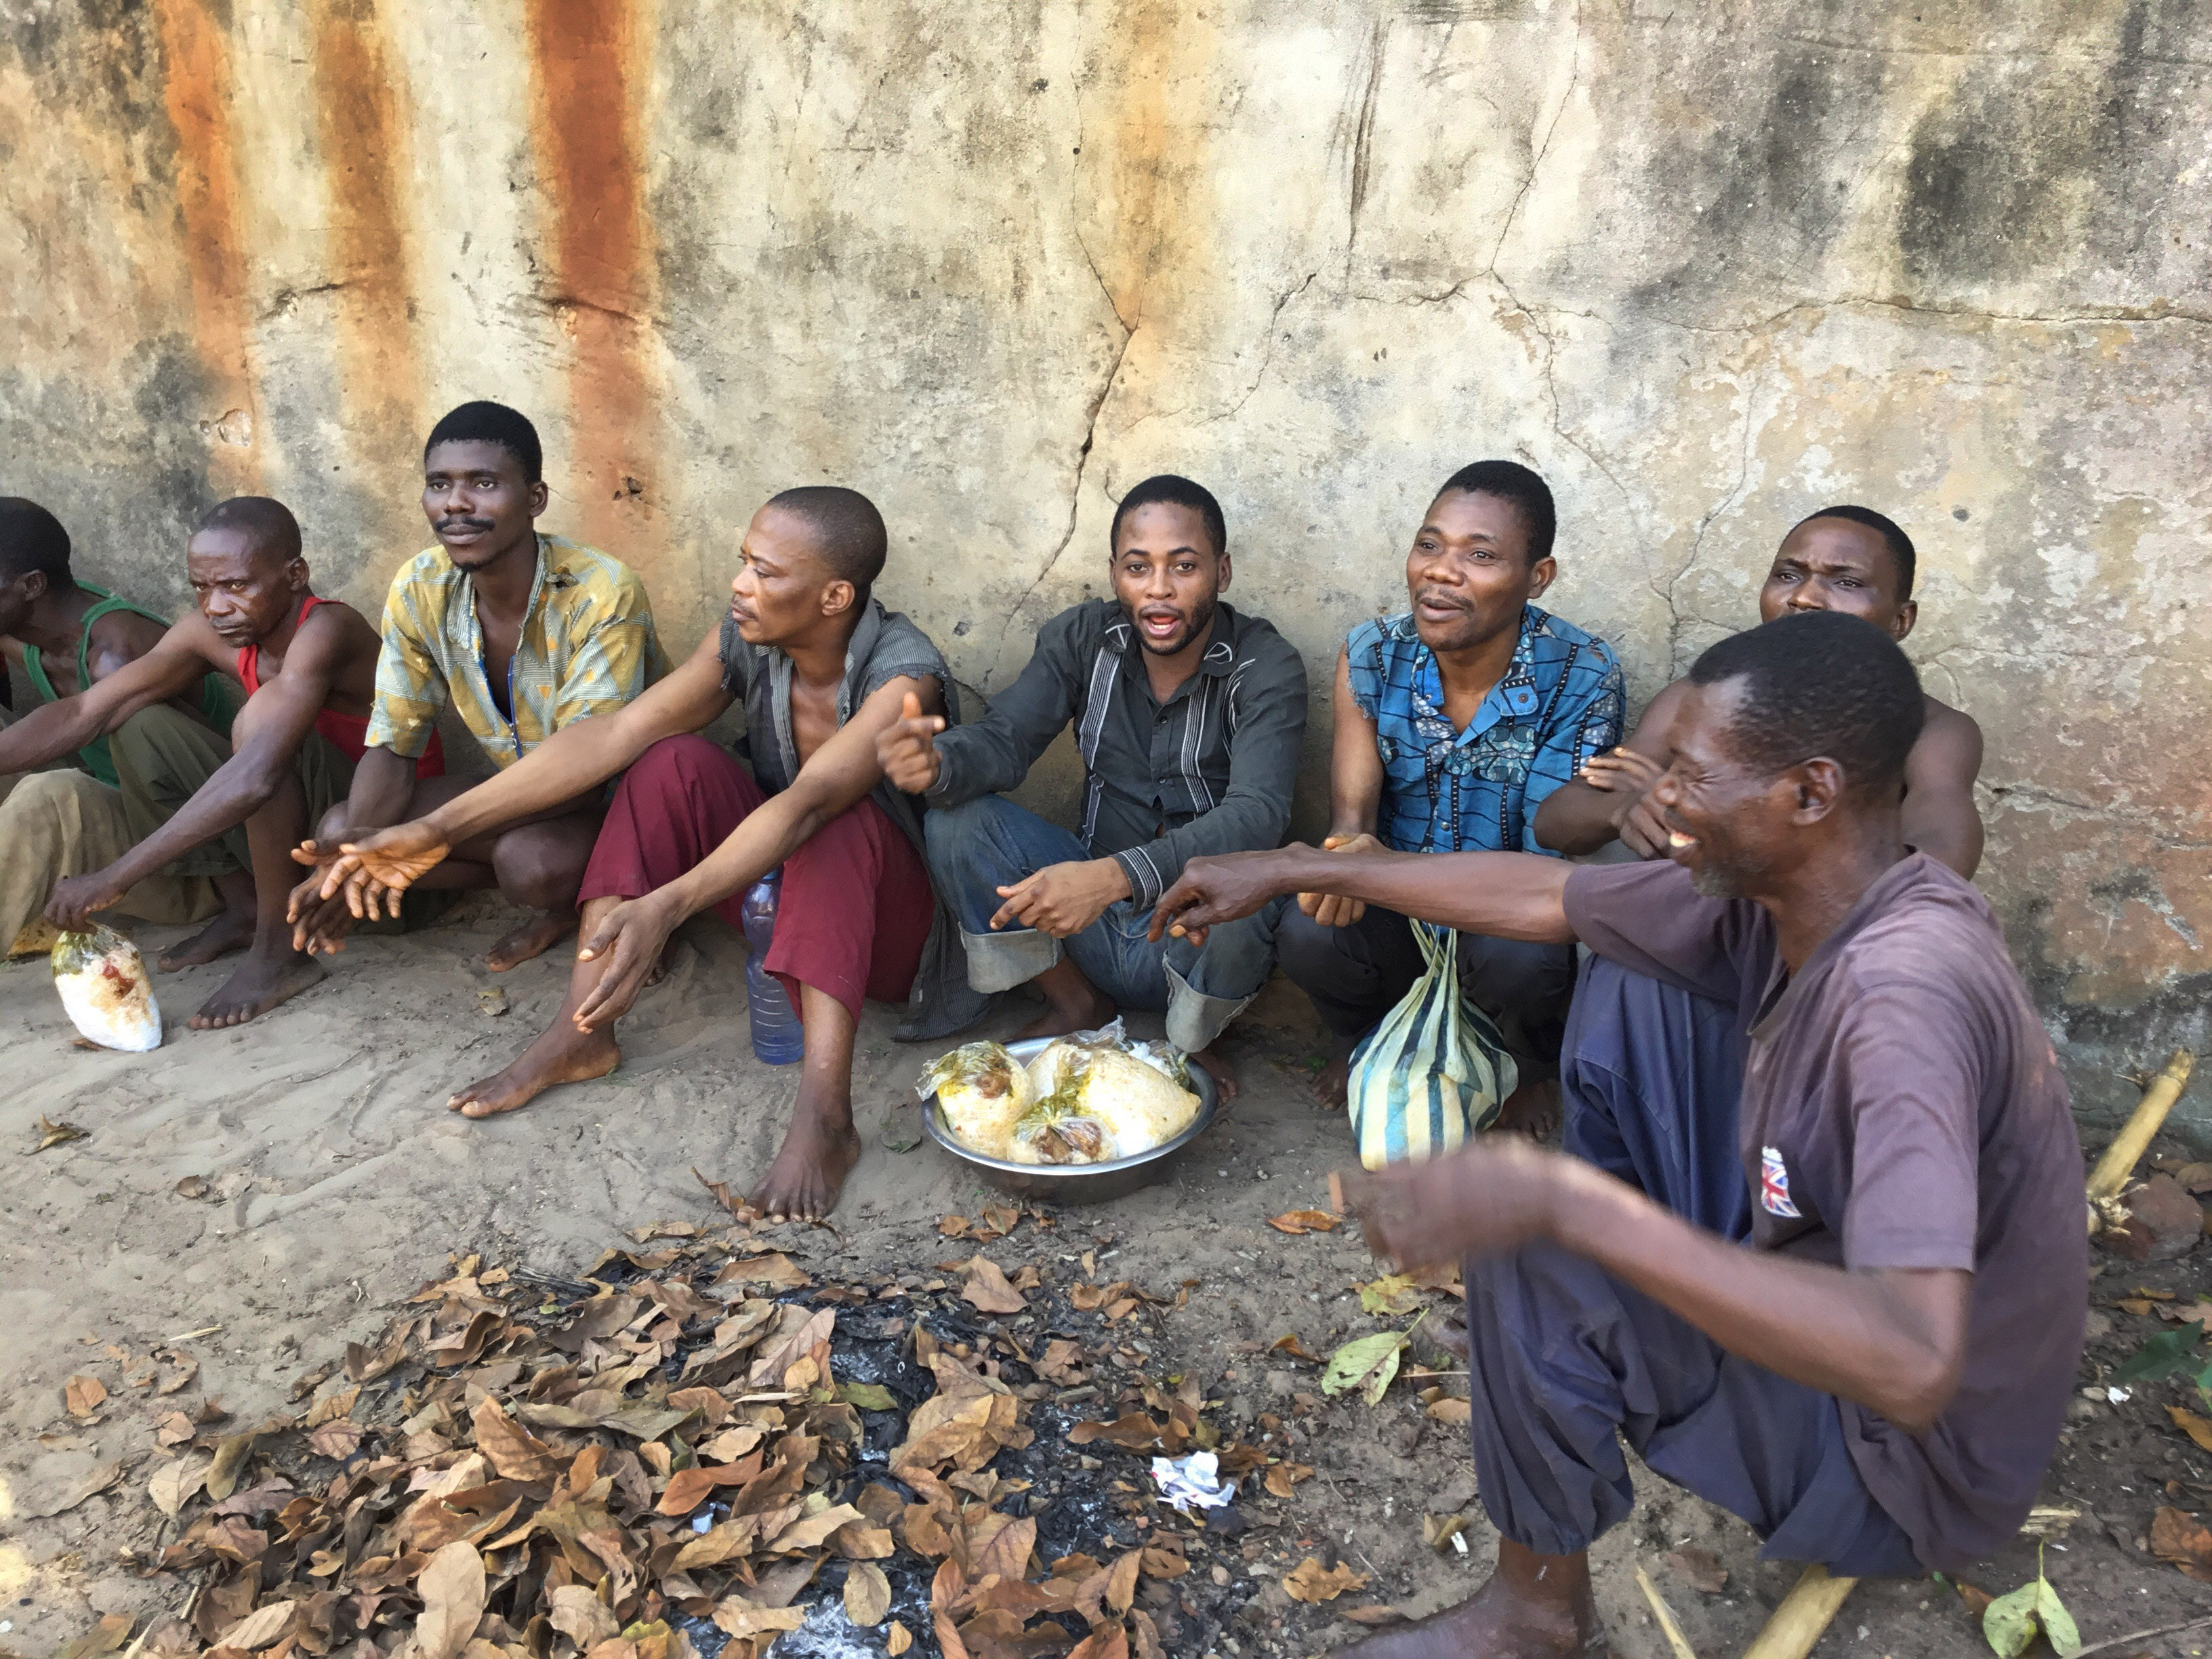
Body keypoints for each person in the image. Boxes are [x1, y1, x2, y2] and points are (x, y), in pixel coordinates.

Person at [1149, 611, 2085, 1657]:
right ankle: (1580, 1344)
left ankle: (1534, 1616)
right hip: (1821, 1309)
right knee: (1633, 972)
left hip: (1902, 1462)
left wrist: (1567, 1208)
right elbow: (1554, 894)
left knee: (1539, 1245)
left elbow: (1913, 1360)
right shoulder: (1800, 895)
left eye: (1690, 775)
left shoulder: (1900, 995)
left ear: (1810, 793)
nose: (1662, 800)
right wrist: (1291, 866)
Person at [309, 487, 966, 1222]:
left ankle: (826, 1119)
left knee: (834, 819)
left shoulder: (906, 675)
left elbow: (810, 802)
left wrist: (671, 903)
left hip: (889, 932)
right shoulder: (746, 637)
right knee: (667, 761)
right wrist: (442, 828)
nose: (740, 585)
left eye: (767, 573)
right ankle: (579, 1034)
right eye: (743, 562)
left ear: (835, 595)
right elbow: (616, 736)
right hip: (775, 890)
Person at [1531, 504, 1984, 1240]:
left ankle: (1744, 1261)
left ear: (1900, 619)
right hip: (1697, 964)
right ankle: (1610, 1238)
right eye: (1789, 574)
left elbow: (1942, 841)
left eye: (1845, 581)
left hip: (1814, 976)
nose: (1806, 596)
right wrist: (1628, 803)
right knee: (1622, 973)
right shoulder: (1702, 704)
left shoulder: (1934, 732)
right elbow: (1558, 823)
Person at [876, 473, 1306, 1093]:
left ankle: (1190, 1039)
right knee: (958, 820)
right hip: (1087, 922)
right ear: (1114, 574)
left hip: (1196, 929)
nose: (1159, 590)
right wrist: (940, 763)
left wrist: (1114, 876)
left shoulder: (1265, 666)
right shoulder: (1082, 640)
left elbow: (1257, 813)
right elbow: (1006, 740)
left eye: (1184, 567)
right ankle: (1077, 1003)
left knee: (1253, 890)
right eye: (1138, 567)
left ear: (1223, 572)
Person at [0, 496, 438, 1027]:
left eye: (236, 586)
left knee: (261, 734)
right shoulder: (206, 630)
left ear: (295, 575)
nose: (215, 606)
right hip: (306, 840)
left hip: (383, 852)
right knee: (140, 722)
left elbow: (257, 776)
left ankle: (281, 952)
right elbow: (86, 711)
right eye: (202, 588)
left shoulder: (327, 630)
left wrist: (115, 876)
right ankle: (248, 908)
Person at [1271, 461, 1622, 1122]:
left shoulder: (1583, 673)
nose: (1440, 571)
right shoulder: (1373, 655)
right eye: (1429, 545)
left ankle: (1526, 1063)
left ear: (1537, 577)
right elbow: (1352, 820)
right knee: (1309, 924)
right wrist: (1348, 859)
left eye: (1480, 555)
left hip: (1507, 915)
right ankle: (1370, 1040)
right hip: (1400, 918)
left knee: (1527, 953)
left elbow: (1543, 868)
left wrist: (1385, 869)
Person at [288, 401, 666, 972]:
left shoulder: (600, 591)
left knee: (530, 862)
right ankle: (551, 893)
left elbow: (586, 772)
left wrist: (430, 831)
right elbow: (394, 742)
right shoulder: (422, 585)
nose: (456, 503)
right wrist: (353, 860)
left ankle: (584, 902)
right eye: (439, 484)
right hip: (515, 796)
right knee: (342, 830)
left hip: (613, 803)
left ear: (534, 499)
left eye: (483, 483)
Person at [0, 497, 238, 958]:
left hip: (193, 860)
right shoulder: (43, 623)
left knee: (51, 798)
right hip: (124, 814)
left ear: (31, 586)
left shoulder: (114, 656)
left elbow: (80, 718)